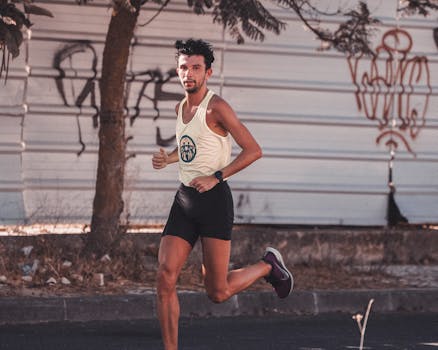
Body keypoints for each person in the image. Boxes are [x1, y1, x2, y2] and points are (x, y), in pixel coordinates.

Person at [152, 38, 293, 350]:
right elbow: (192, 149)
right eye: (183, 68)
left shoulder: (217, 107)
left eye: (196, 68)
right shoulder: (180, 107)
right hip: (184, 201)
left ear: (208, 72)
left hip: (214, 203)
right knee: (165, 277)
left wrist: (217, 177)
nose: (188, 73)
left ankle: (269, 265)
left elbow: (253, 150)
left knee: (217, 292)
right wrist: (170, 159)